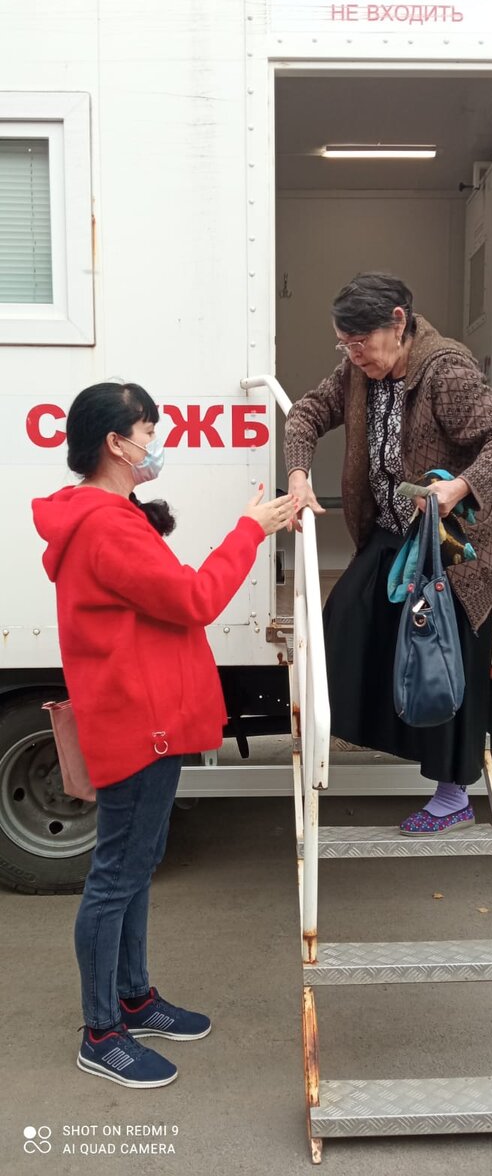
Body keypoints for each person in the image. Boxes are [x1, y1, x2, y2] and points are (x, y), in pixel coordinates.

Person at [32, 381, 294, 1089]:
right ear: (115, 444)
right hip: (138, 724)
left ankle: (133, 998)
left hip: (147, 719)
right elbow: (194, 598)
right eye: (149, 433)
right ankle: (101, 1032)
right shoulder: (106, 525)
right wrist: (250, 530)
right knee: (117, 875)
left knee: (136, 866)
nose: (156, 444)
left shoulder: (107, 515)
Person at [284, 273, 492, 836]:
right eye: (344, 344)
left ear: (398, 322)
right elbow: (305, 413)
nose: (353, 354)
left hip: (454, 551)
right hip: (394, 537)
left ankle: (452, 797)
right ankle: (380, 735)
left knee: (441, 659)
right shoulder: (358, 370)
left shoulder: (445, 370)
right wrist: (298, 475)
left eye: (360, 342)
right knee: (344, 622)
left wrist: (459, 487)